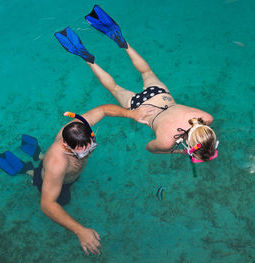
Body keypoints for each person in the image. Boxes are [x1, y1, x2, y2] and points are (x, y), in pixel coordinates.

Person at [55, 5, 219, 163]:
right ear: (190, 146)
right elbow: (150, 148)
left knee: (146, 72)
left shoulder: (206, 118)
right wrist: (178, 150)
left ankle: (123, 42)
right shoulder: (167, 141)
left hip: (160, 94)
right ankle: (87, 59)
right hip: (141, 108)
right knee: (115, 88)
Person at [0, 104, 154, 255]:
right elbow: (47, 205)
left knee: (51, 162)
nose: (89, 153)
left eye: (91, 146)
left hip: (64, 170)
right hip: (55, 177)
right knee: (62, 199)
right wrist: (80, 231)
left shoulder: (79, 127)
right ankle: (28, 170)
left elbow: (103, 110)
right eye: (82, 153)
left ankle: (39, 155)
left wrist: (130, 113)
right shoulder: (57, 165)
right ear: (65, 147)